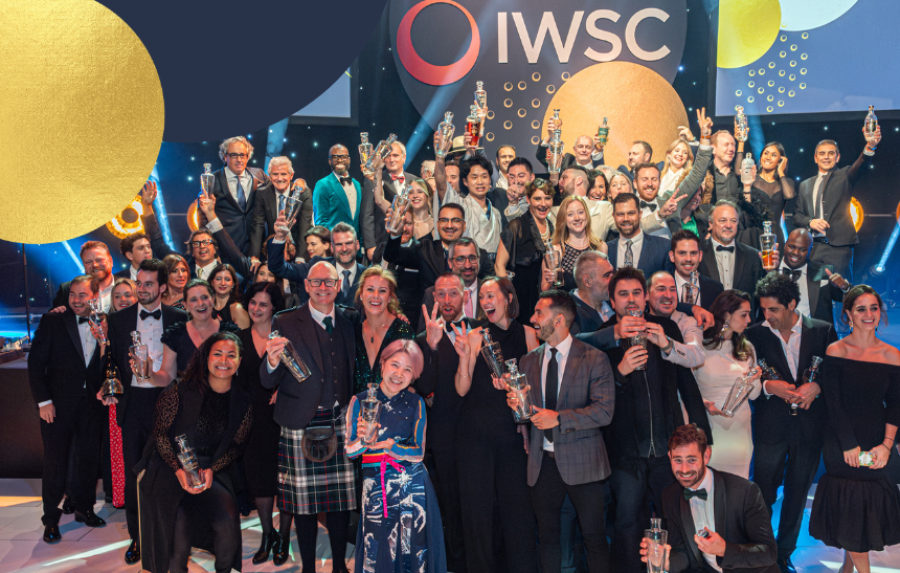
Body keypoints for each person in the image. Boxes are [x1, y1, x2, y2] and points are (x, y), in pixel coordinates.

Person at [577, 267, 711, 573]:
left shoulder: (665, 328)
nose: (631, 300)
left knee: (675, 517)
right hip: (625, 453)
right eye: (623, 294)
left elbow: (687, 383)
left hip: (668, 448)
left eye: (636, 293)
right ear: (612, 301)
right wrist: (620, 373)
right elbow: (592, 396)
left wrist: (704, 435)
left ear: (646, 297)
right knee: (627, 523)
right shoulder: (604, 337)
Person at [506, 291, 615, 573]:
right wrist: (518, 408)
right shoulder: (528, 361)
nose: (532, 319)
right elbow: (527, 415)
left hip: (585, 463)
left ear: (559, 320)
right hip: (542, 464)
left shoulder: (594, 358)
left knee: (594, 539)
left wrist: (559, 419)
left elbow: (604, 412)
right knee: (547, 538)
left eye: (539, 313)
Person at [262, 261, 358, 573]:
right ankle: (308, 569)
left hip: (339, 420)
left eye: (329, 282)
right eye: (316, 282)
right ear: (306, 286)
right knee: (303, 506)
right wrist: (272, 361)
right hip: (300, 421)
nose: (322, 288)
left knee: (341, 503)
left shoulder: (349, 319)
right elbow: (266, 379)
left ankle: (340, 566)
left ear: (338, 285)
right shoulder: (285, 320)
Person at [136, 332, 253, 573]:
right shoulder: (179, 389)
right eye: (217, 354)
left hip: (212, 469)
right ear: (206, 357)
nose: (224, 361)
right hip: (170, 467)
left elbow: (236, 446)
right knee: (179, 536)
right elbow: (160, 435)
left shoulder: (242, 400)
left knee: (228, 526)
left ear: (240, 361)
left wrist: (212, 470)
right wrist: (178, 470)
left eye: (231, 355)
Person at [745, 273, 837, 573]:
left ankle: (783, 556)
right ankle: (760, 551)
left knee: (797, 495)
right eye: (763, 309)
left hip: (810, 428)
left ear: (792, 304)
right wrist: (769, 387)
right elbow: (744, 377)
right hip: (770, 427)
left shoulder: (822, 331)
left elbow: (837, 374)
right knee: (763, 493)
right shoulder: (753, 335)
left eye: (774, 309)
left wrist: (817, 386)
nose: (767, 316)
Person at [451, 277, 540, 573]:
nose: (486, 301)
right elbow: (461, 389)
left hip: (512, 436)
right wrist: (464, 357)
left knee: (517, 512)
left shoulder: (528, 334)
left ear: (508, 298)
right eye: (483, 297)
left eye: (492, 295)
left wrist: (525, 420)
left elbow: (535, 388)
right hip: (474, 435)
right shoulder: (475, 336)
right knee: (477, 514)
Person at [809, 285, 900, 573]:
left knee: (866, 503)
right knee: (853, 502)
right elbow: (833, 404)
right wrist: (848, 444)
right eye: (861, 309)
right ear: (848, 314)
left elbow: (895, 405)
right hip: (841, 440)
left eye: (874, 308)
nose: (869, 314)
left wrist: (886, 446)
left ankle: (847, 569)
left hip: (877, 439)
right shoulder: (836, 350)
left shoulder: (892, 355)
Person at [104, 258, 188, 564]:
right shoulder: (118, 320)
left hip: (168, 401)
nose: (141, 289)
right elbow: (111, 362)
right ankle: (137, 537)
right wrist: (108, 383)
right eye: (139, 283)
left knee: (169, 471)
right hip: (133, 404)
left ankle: (172, 535)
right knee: (134, 474)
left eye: (148, 284)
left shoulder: (179, 317)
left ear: (163, 287)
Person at [346, 340, 448, 573]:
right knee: (377, 549)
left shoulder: (416, 402)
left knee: (412, 551)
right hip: (375, 488)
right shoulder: (360, 401)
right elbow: (350, 451)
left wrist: (392, 448)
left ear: (414, 376)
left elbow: (419, 452)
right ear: (382, 364)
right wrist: (365, 440)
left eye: (408, 369)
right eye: (395, 365)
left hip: (412, 488)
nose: (399, 374)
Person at [639, 424, 780, 573]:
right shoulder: (670, 496)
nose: (684, 470)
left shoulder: (744, 491)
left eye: (691, 460)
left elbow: (768, 552)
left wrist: (724, 549)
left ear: (706, 456)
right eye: (678, 460)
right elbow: (683, 552)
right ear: (670, 457)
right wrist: (666, 561)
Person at [29, 275, 107, 543]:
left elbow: (106, 363)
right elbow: (36, 363)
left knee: (88, 460)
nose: (76, 299)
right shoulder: (53, 320)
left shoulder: (103, 321)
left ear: (94, 296)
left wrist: (104, 343)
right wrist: (43, 401)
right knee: (55, 463)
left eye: (82, 295)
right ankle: (50, 519)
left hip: (92, 404)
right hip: (57, 405)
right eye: (73, 294)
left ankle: (85, 509)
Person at [416, 272, 479, 572]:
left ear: (465, 296)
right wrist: (430, 346)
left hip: (480, 433)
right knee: (450, 505)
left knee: (479, 502)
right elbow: (423, 387)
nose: (446, 300)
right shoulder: (423, 339)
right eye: (440, 294)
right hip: (443, 436)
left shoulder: (481, 331)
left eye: (453, 293)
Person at [232, 281, 286, 564]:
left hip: (283, 418)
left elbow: (301, 374)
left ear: (274, 307)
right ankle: (268, 534)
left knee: (286, 481)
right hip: (252, 419)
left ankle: (283, 537)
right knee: (260, 480)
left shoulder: (285, 338)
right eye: (253, 302)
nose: (256, 308)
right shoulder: (238, 338)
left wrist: (283, 390)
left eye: (263, 304)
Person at [793, 127, 881, 282]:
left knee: (841, 290)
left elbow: (861, 165)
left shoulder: (845, 175)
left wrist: (870, 147)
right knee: (816, 293)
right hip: (814, 248)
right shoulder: (805, 185)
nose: (826, 157)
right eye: (822, 153)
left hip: (839, 248)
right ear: (815, 158)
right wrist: (810, 221)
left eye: (831, 153)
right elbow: (797, 216)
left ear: (837, 157)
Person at [691, 290, 759, 479]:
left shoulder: (747, 348)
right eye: (744, 315)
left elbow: (754, 395)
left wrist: (754, 379)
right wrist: (704, 403)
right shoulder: (699, 346)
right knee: (708, 485)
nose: (749, 320)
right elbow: (685, 391)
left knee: (739, 488)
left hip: (740, 434)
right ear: (727, 315)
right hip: (709, 431)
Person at [153, 280, 240, 385]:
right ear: (185, 305)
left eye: (205, 297)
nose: (200, 303)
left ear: (213, 299)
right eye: (193, 299)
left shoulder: (231, 333)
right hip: (186, 395)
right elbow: (167, 377)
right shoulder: (175, 335)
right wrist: (149, 374)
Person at [268, 218, 368, 307]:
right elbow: (277, 267)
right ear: (332, 247)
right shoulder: (315, 267)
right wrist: (279, 237)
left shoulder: (368, 275)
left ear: (357, 245)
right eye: (338, 244)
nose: (344, 248)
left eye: (348, 243)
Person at [198, 135, 271, 255]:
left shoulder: (259, 175)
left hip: (255, 249)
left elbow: (278, 190)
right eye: (234, 155)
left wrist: (298, 184)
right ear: (225, 156)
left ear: (248, 156)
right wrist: (208, 248)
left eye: (242, 155)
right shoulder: (212, 180)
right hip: (225, 248)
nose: (239, 160)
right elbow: (203, 217)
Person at [495, 178, 556, 317]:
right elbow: (499, 266)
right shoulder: (516, 226)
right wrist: (509, 297)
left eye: (547, 198)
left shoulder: (553, 227)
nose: (543, 204)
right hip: (521, 299)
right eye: (537, 198)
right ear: (528, 199)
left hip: (546, 298)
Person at [353, 267, 415, 395]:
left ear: (389, 297)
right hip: (357, 407)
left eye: (382, 291)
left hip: (393, 406)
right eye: (370, 289)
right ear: (361, 295)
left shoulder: (403, 332)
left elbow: (413, 380)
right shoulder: (352, 332)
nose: (376, 296)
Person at [698, 201, 771, 306]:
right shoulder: (697, 253)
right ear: (711, 223)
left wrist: (770, 272)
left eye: (733, 221)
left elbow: (765, 297)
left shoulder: (754, 256)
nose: (728, 225)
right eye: (723, 220)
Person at [436, 150, 503, 260]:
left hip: (492, 267)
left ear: (490, 182)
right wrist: (440, 154)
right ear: (465, 181)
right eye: (474, 177)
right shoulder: (459, 206)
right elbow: (442, 186)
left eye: (484, 176)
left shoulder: (496, 213)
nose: (480, 182)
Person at [383, 202, 468, 288]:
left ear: (464, 225)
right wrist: (395, 234)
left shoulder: (475, 254)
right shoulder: (425, 250)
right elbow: (391, 255)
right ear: (437, 225)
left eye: (456, 220)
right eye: (444, 220)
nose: (449, 225)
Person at [779, 227, 851, 324]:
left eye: (802, 249)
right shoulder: (769, 269)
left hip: (812, 332)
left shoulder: (823, 272)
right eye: (792, 246)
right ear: (785, 245)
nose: (796, 253)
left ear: (810, 250)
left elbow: (853, 299)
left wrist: (845, 287)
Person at [362, 140, 418, 259]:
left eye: (395, 155)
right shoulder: (373, 179)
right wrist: (370, 246)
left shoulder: (415, 180)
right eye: (388, 156)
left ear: (404, 158)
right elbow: (367, 215)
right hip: (382, 242)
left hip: (410, 243)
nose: (391, 159)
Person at [249, 155, 312, 261]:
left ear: (291, 175)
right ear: (270, 176)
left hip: (298, 247)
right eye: (275, 174)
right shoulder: (262, 194)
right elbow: (257, 225)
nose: (279, 178)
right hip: (274, 248)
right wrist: (254, 257)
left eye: (283, 174)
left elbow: (304, 228)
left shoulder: (303, 193)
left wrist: (300, 259)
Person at [370, 209, 425, 329]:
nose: (403, 228)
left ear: (415, 225)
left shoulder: (421, 251)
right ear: (388, 224)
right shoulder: (380, 249)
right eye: (399, 223)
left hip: (409, 321)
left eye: (408, 223)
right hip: (379, 317)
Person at [542, 195, 606, 294]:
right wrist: (550, 282)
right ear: (563, 219)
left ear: (586, 215)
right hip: (566, 303)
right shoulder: (555, 251)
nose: (577, 218)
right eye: (570, 214)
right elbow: (545, 291)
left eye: (580, 212)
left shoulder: (601, 247)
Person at [420, 238, 483, 331]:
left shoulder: (492, 291)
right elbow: (423, 338)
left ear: (478, 260)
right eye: (460, 259)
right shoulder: (432, 294)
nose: (468, 265)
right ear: (450, 263)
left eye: (472, 258)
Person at [369, 154, 435, 242]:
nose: (415, 195)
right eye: (411, 192)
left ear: (427, 196)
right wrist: (378, 171)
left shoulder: (438, 223)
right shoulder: (399, 216)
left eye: (420, 192)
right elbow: (380, 200)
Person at [606, 193, 673, 275]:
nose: (626, 218)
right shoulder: (606, 250)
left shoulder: (664, 247)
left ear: (640, 214)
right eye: (620, 214)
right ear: (613, 216)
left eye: (631, 213)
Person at [742, 142, 793, 248]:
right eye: (766, 153)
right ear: (761, 156)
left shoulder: (786, 182)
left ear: (780, 161)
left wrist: (781, 171)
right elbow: (746, 211)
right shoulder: (751, 180)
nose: (768, 157)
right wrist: (747, 186)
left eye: (773, 155)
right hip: (752, 235)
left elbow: (789, 195)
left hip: (775, 235)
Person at [50, 240, 116, 312]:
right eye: (88, 262)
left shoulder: (125, 287)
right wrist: (55, 314)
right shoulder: (67, 289)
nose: (94, 265)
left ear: (111, 262)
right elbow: (51, 316)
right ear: (84, 265)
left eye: (99, 260)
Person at [313, 144, 362, 237]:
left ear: (349, 160)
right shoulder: (323, 184)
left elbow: (359, 220)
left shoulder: (357, 185)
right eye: (335, 157)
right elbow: (320, 223)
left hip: (356, 243)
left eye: (343, 157)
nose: (339, 160)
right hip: (334, 243)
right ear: (329, 161)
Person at [670, 230, 724, 310]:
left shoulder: (716, 289)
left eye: (693, 253)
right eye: (682, 253)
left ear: (700, 256)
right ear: (672, 256)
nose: (688, 259)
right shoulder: (660, 288)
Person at [535, 115, 604, 173]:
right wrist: (550, 137)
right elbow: (542, 156)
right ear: (574, 150)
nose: (584, 150)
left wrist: (599, 150)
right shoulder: (565, 164)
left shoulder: (597, 169)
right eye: (580, 146)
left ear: (592, 150)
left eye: (588, 147)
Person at [570, 250, 615, 334]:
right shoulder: (569, 311)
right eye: (607, 275)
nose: (613, 280)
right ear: (587, 281)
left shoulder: (615, 301)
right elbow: (578, 340)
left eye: (612, 275)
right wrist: (615, 332)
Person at [207, 264, 250, 328]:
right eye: (218, 279)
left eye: (227, 279)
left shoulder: (237, 309)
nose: (223, 283)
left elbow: (245, 334)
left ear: (233, 283)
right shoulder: (206, 307)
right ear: (212, 282)